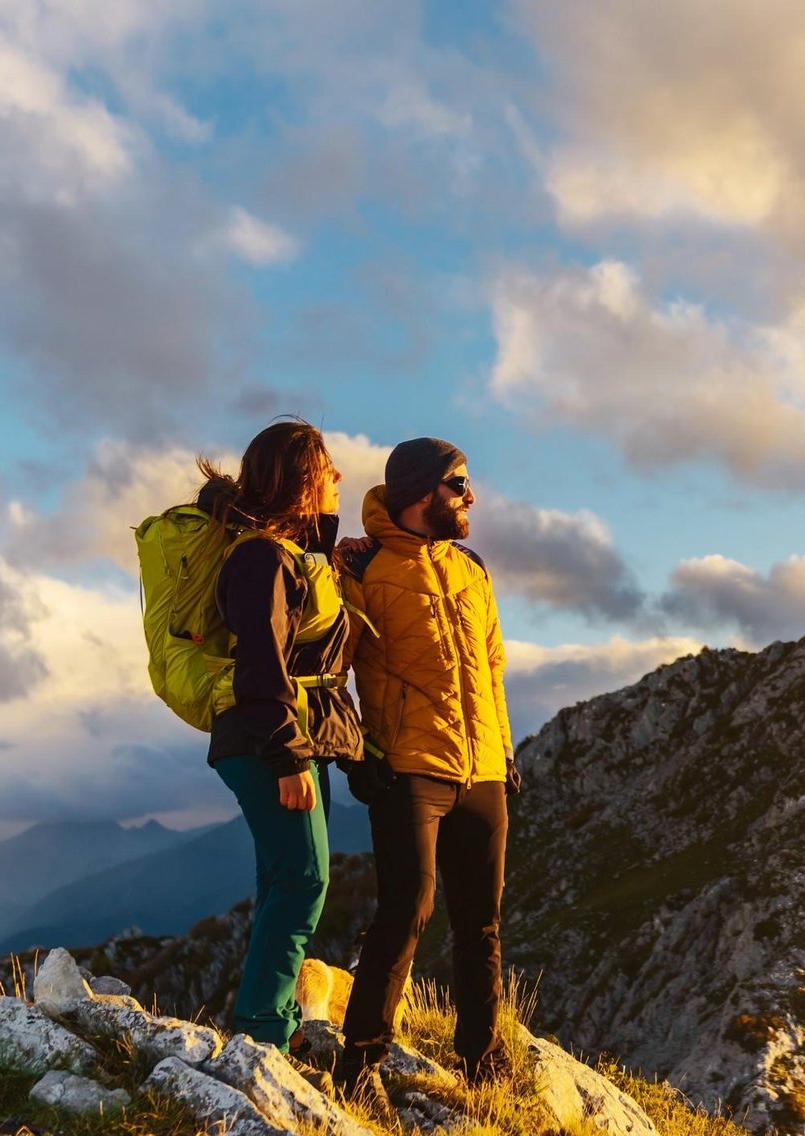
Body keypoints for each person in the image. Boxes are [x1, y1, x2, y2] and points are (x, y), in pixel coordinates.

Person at [333, 437, 518, 1097]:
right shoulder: (363, 567)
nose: (471, 496)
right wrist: (353, 753)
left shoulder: (472, 568)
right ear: (422, 491)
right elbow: (335, 667)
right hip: (407, 765)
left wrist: (504, 748)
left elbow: (491, 665)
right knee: (407, 908)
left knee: (481, 921)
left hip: (483, 768)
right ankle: (357, 1064)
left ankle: (482, 1058)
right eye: (459, 483)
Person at [197, 420, 361, 1052]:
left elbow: (311, 582)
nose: (339, 479)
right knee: (304, 878)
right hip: (268, 739)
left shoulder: (285, 554)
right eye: (327, 469)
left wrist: (326, 525)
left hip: (285, 736)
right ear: (299, 479)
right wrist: (289, 757)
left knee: (282, 877)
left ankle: (267, 1020)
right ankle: (264, 1027)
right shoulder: (260, 557)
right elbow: (261, 665)